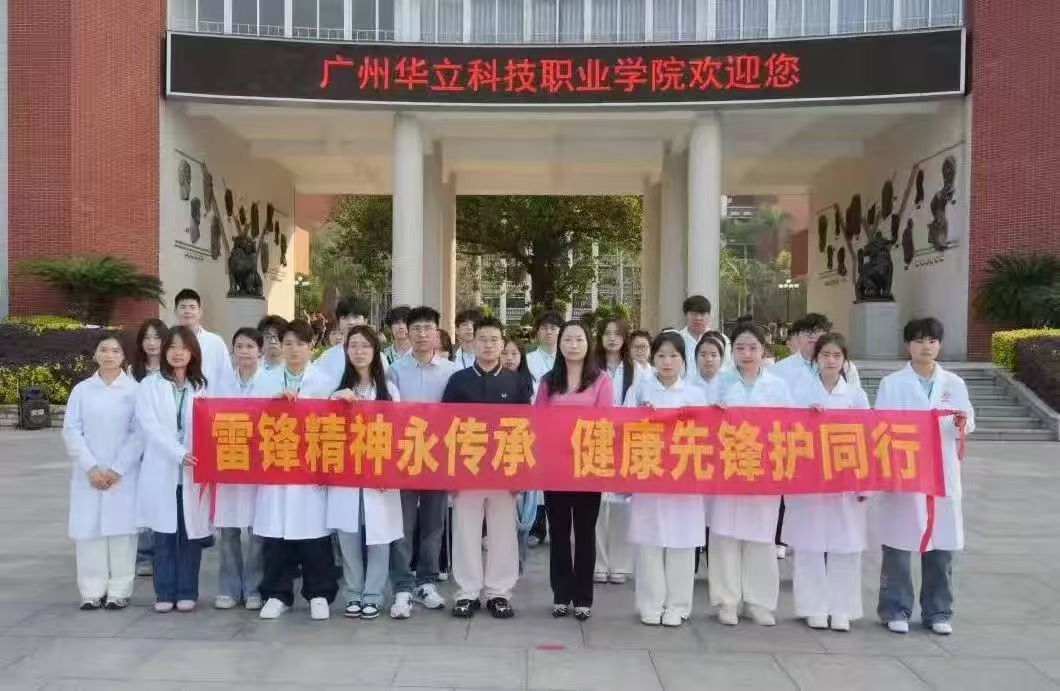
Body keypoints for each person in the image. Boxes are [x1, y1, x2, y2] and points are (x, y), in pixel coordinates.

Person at [874, 317, 973, 636]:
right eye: (918, 341)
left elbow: (968, 420)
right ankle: (895, 608)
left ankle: (938, 611)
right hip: (905, 472)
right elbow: (881, 426)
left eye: (931, 341)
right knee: (899, 543)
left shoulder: (954, 383)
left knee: (941, 545)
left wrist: (961, 423)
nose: (925, 347)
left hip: (942, 472)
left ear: (939, 345)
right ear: (908, 346)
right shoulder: (892, 383)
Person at [442, 316, 534, 618]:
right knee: (465, 532)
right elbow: (445, 428)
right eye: (482, 339)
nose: (488, 345)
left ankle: (499, 592)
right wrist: (450, 473)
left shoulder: (517, 381)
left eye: (494, 340)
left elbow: (527, 428)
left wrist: (520, 472)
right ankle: (466, 593)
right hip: (467, 469)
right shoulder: (458, 381)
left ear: (502, 344)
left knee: (503, 533)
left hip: (504, 469)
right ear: (473, 342)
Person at [783, 333, 870, 632]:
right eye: (825, 355)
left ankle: (842, 608)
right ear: (816, 358)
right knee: (809, 544)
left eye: (836, 355)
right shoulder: (800, 392)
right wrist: (807, 419)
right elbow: (786, 432)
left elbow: (868, 440)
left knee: (845, 545)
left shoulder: (856, 395)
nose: (831, 361)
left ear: (844, 360)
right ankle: (813, 607)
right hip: (810, 477)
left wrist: (865, 483)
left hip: (846, 478)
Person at [708, 322, 793, 626]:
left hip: (763, 470)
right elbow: (703, 426)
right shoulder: (719, 383)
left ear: (762, 350)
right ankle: (727, 601)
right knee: (725, 536)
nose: (747, 353)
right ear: (732, 351)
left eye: (753, 348)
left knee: (761, 537)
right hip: (727, 469)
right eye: (740, 348)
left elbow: (789, 427)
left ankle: (759, 601)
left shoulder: (778, 386)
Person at [255, 320, 339, 621]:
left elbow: (334, 426)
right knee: (276, 536)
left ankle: (319, 593)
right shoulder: (265, 380)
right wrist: (273, 404)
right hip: (276, 468)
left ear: (311, 347)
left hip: (310, 470)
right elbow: (250, 418)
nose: (293, 350)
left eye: (300, 344)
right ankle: (277, 594)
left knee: (314, 536)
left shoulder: (325, 381)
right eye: (287, 343)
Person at [623, 331, 708, 626]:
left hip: (684, 475)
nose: (667, 362)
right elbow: (623, 427)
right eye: (661, 355)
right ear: (653, 357)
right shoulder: (640, 390)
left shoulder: (695, 394)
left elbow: (708, 434)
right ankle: (651, 603)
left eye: (674, 356)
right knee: (650, 541)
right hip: (649, 473)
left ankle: (678, 605)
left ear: (683, 360)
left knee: (681, 542)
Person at [325, 325, 404, 621]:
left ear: (375, 352)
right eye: (353, 345)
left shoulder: (388, 391)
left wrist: (388, 471)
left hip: (378, 475)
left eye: (365, 346)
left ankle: (373, 595)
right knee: (348, 536)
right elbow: (325, 432)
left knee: (379, 537)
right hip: (346, 475)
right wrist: (335, 401)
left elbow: (397, 435)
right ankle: (353, 593)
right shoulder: (337, 389)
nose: (359, 351)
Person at [536, 320, 613, 620]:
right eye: (567, 339)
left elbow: (605, 422)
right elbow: (538, 422)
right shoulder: (548, 381)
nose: (573, 345)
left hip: (587, 466)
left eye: (579, 339)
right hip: (555, 467)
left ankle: (583, 598)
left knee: (584, 533)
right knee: (558, 532)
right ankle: (560, 594)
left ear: (588, 343)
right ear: (560, 344)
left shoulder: (601, 380)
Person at [388, 306, 461, 618]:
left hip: (437, 456)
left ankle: (427, 582)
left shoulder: (451, 371)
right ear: (407, 332)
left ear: (437, 333)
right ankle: (402, 585)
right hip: (404, 455)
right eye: (415, 328)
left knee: (433, 523)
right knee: (402, 524)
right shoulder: (394, 370)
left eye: (427, 328)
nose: (421, 334)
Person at [135, 325, 213, 613]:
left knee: (191, 534)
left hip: (194, 473)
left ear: (193, 352)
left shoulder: (202, 387)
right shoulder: (149, 385)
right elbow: (149, 427)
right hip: (164, 468)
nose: (178, 353)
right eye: (172, 347)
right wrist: (179, 453)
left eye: (184, 347)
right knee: (164, 534)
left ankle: (187, 591)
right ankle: (164, 592)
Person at [64, 332, 143, 610]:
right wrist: (90, 467)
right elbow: (71, 430)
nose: (109, 355)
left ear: (124, 356)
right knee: (89, 532)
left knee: (122, 535)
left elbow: (139, 433)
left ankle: (119, 591)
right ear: (95, 354)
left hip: (123, 475)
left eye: (115, 351)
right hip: (89, 475)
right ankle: (91, 590)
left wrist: (118, 468)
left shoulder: (134, 391)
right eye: (104, 350)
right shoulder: (82, 390)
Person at [213, 327, 267, 611]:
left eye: (250, 346)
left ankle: (254, 588)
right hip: (229, 464)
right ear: (232, 352)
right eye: (239, 346)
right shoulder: (219, 383)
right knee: (228, 530)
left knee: (257, 533)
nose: (244, 351)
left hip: (258, 466)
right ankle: (229, 588)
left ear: (260, 351)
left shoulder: (270, 381)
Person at [592, 317, 638, 586]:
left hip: (626, 442)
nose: (612, 338)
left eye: (617, 334)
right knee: (597, 504)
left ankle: (620, 563)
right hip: (597, 440)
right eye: (607, 333)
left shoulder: (637, 370)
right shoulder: (591, 369)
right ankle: (598, 562)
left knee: (622, 504)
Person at [129, 318, 170, 576]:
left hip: (164, 446)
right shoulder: (131, 372)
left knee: (161, 497)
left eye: (157, 337)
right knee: (140, 498)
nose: (152, 343)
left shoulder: (172, 372)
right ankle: (143, 554)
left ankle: (162, 552)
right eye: (147, 337)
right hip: (136, 445)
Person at [172, 288, 231, 394]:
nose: (187, 311)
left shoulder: (215, 342)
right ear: (175, 312)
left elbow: (226, 377)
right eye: (183, 307)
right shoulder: (168, 341)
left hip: (209, 400)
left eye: (192, 307)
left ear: (200, 312)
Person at [314, 297, 370, 388]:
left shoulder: (378, 357)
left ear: (366, 321)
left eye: (356, 317)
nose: (351, 322)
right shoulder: (327, 357)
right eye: (345, 318)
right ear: (339, 322)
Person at [678, 296, 733, 377]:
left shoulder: (721, 340)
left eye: (702, 314)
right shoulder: (676, 339)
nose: (698, 318)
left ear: (709, 315)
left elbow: (729, 367)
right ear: (685, 315)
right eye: (694, 314)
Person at [525, 311, 563, 395]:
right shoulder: (526, 360)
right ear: (537, 333)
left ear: (561, 332)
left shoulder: (569, 360)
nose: (548, 332)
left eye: (553, 328)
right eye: (544, 328)